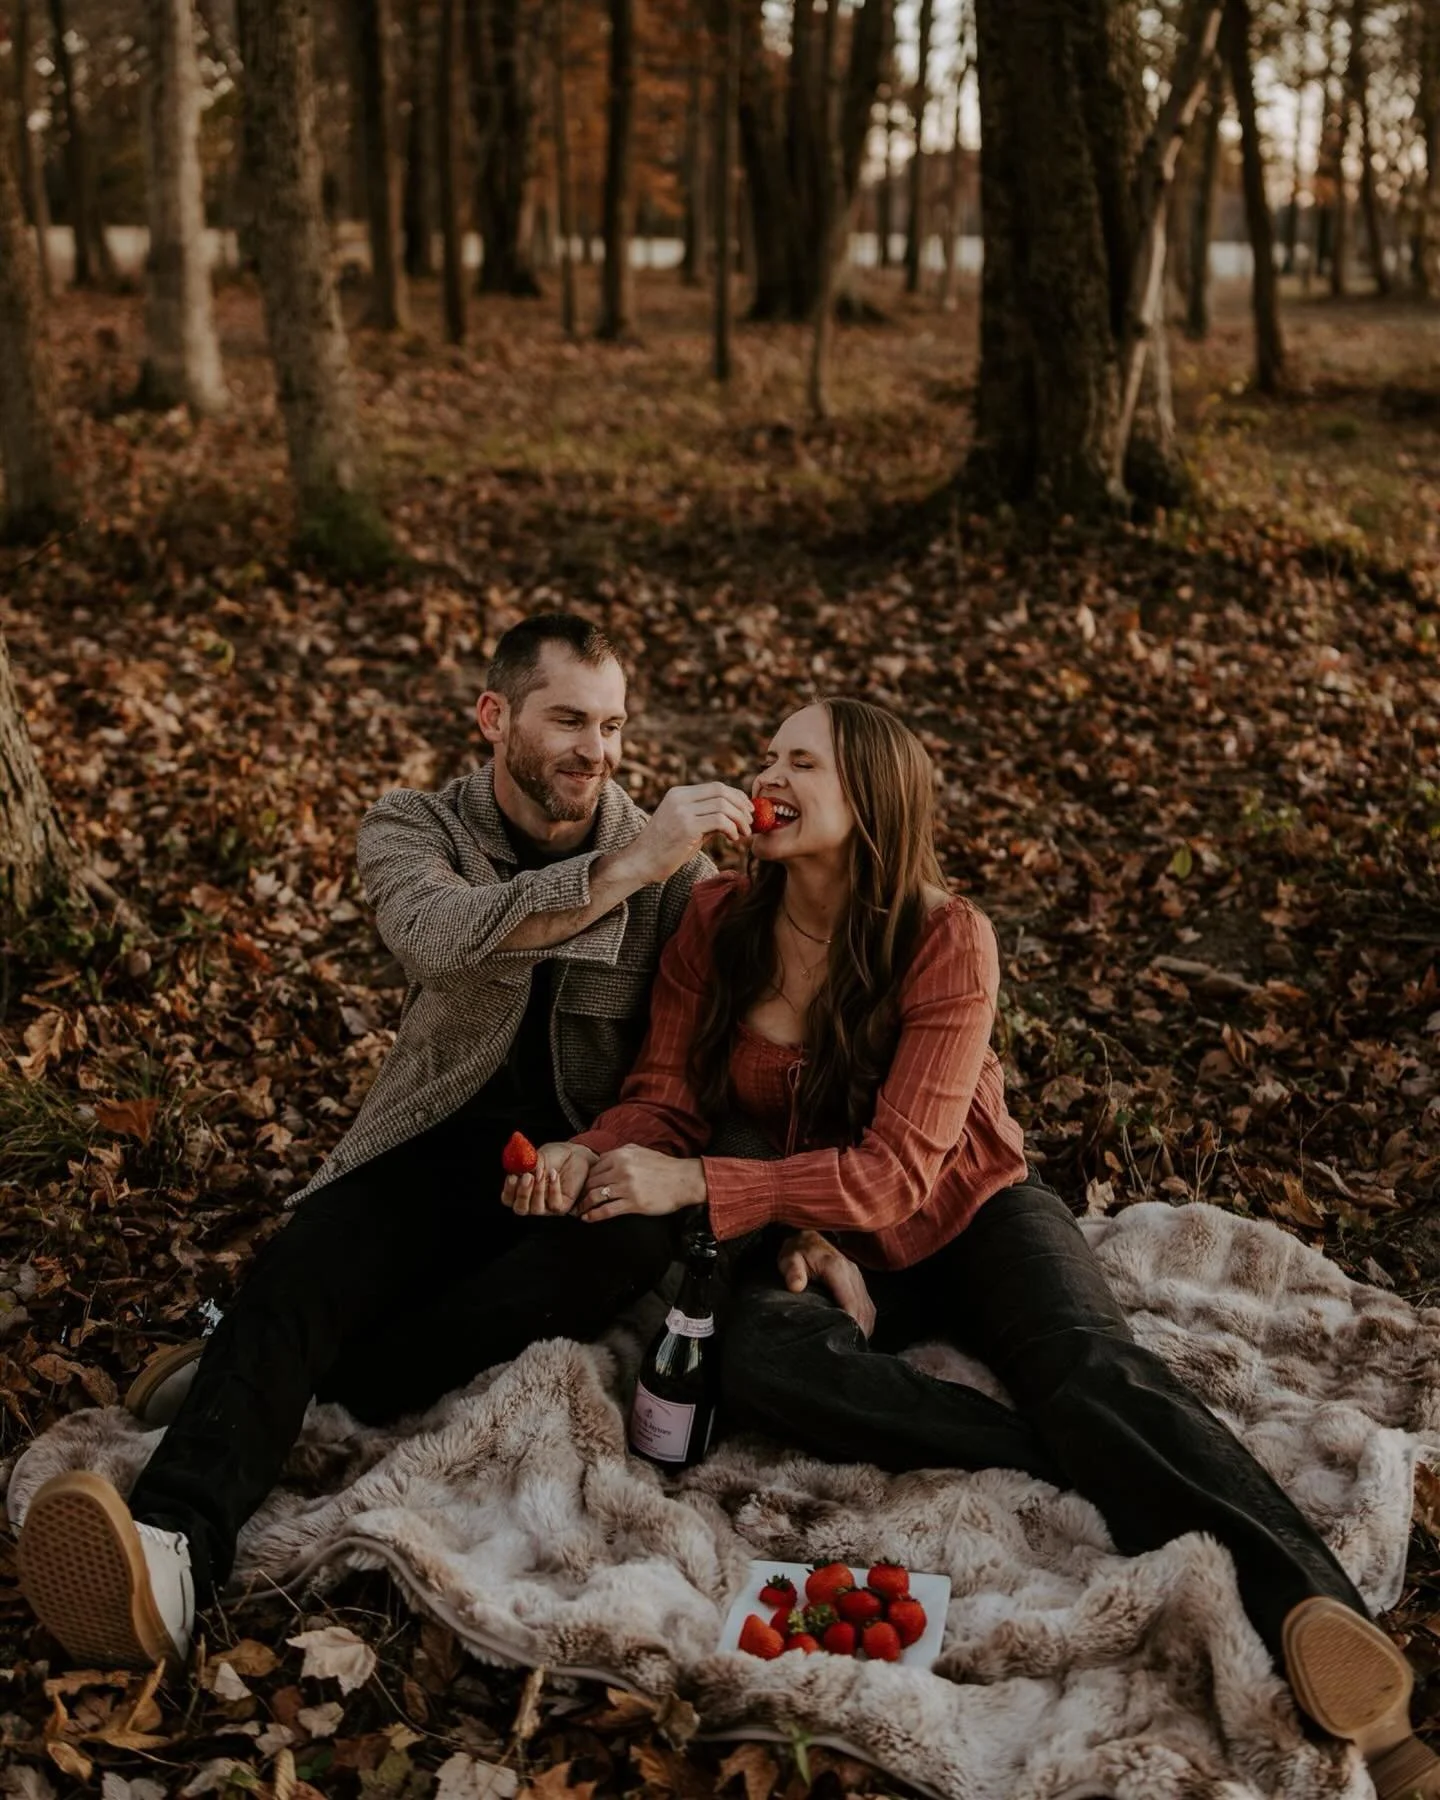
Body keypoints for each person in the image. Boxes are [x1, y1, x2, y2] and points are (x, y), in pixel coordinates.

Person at [511, 695, 1440, 1800]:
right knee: (751, 1359)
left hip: (970, 1213)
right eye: (769, 756)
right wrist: (587, 1154)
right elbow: (663, 1105)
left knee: (1092, 1367)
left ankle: (1329, 1641)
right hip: (811, 1230)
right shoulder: (714, 920)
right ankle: (1054, 1447)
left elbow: (899, 1172)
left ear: (871, 799)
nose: (767, 774)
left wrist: (715, 1186)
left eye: (800, 761)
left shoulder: (948, 939)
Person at [15, 614, 867, 1674]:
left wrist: (800, 1210)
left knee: (614, 1254)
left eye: (611, 728)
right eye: (566, 721)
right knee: (313, 1258)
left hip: (577, 1162)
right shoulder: (415, 826)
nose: (594, 754)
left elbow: (735, 1058)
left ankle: (278, 1370)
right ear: (494, 716)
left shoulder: (677, 877)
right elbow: (440, 936)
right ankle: (177, 1547)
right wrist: (624, 866)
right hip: (433, 1140)